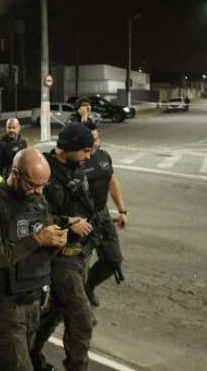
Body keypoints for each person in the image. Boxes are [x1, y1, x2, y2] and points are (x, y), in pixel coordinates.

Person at [0, 148, 72, 370]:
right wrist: (37, 239)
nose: (39, 191)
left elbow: (43, 242)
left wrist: (55, 241)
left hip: (33, 298)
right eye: (33, 185)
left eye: (43, 185)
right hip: (5, 306)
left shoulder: (37, 199)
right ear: (16, 174)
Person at [31, 123, 96, 371]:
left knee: (57, 311)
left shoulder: (75, 168)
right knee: (82, 319)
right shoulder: (42, 170)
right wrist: (68, 224)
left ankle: (29, 353)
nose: (89, 156)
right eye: (86, 150)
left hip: (79, 255)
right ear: (70, 147)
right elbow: (32, 216)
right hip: (58, 257)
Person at [83, 123, 127, 307]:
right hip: (82, 220)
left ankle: (88, 287)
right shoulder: (77, 161)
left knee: (113, 259)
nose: (94, 143)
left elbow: (113, 183)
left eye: (96, 139)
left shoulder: (104, 157)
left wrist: (122, 211)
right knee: (79, 265)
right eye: (90, 139)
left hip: (102, 215)